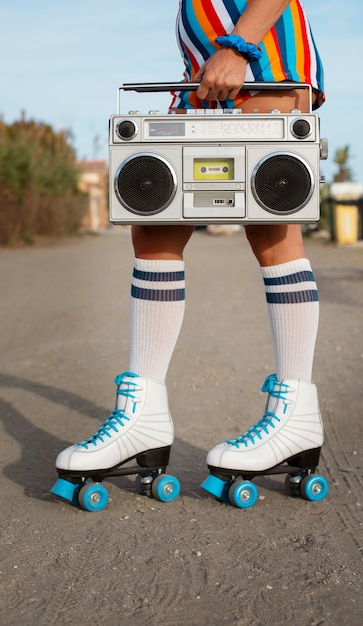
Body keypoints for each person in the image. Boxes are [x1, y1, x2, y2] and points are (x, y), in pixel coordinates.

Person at [53, 0, 326, 504]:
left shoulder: (245, 51)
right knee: (153, 228)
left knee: (271, 227)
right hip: (204, 84)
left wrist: (238, 46)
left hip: (261, 70)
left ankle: (296, 414)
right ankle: (144, 414)